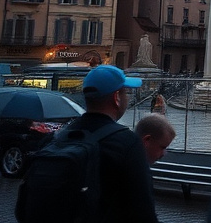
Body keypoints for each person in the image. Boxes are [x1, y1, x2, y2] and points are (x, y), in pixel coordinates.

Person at [34, 65, 156, 222]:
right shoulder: (128, 143)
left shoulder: (55, 138)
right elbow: (144, 211)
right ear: (116, 97)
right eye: (125, 92)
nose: (127, 98)